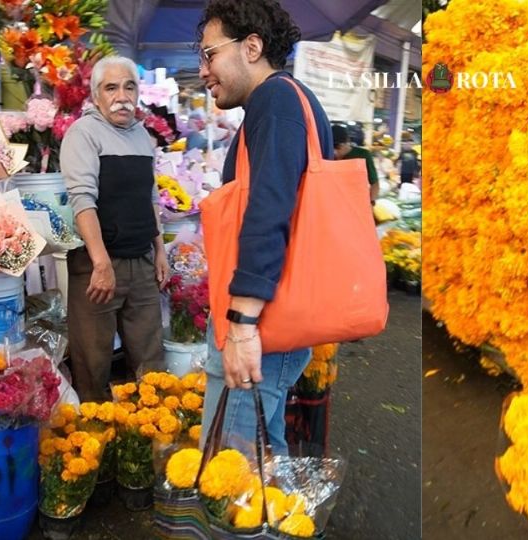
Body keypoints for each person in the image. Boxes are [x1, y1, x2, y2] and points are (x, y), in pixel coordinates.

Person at [196, 0, 334, 455]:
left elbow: (268, 212)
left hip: (266, 324)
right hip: (270, 320)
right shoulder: (278, 103)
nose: (203, 70)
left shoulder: (275, 101)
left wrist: (242, 326)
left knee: (228, 467)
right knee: (260, 454)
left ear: (251, 46)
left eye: (209, 54)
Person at [60, 56, 169, 402]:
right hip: (97, 268)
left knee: (151, 366)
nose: (121, 95)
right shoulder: (83, 134)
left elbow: (149, 195)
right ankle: (95, 448)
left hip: (141, 263)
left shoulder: (141, 136)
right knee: (93, 366)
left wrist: (160, 249)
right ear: (95, 96)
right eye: (111, 88)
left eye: (129, 86)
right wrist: (101, 264)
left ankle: (149, 442)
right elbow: (82, 201)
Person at [332, 124, 379, 203]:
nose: (335, 152)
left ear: (347, 141)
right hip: (334, 202)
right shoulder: (328, 156)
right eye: (332, 147)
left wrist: (371, 202)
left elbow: (374, 183)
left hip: (357, 202)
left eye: (338, 147)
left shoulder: (363, 155)